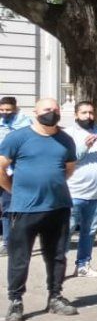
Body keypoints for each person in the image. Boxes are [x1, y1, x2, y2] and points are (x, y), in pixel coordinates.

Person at [0, 98, 79, 321]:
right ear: (35, 112)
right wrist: (13, 190)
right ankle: (15, 301)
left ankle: (55, 296)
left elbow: (69, 169)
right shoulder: (18, 138)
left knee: (56, 256)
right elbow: (1, 166)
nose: (51, 113)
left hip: (58, 207)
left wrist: (51, 184)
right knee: (19, 258)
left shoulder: (65, 140)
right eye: (47, 109)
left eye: (55, 110)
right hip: (25, 209)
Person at [64, 101, 97, 278]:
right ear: (76, 115)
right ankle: (57, 267)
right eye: (84, 113)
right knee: (66, 231)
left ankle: (83, 265)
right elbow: (67, 160)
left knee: (89, 232)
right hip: (73, 192)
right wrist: (84, 147)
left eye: (91, 113)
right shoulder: (68, 134)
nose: (88, 116)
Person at [0, 96, 32, 258]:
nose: (5, 113)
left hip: (12, 172)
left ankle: (8, 242)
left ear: (15, 109)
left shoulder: (24, 123)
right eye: (2, 110)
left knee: (8, 208)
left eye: (8, 110)